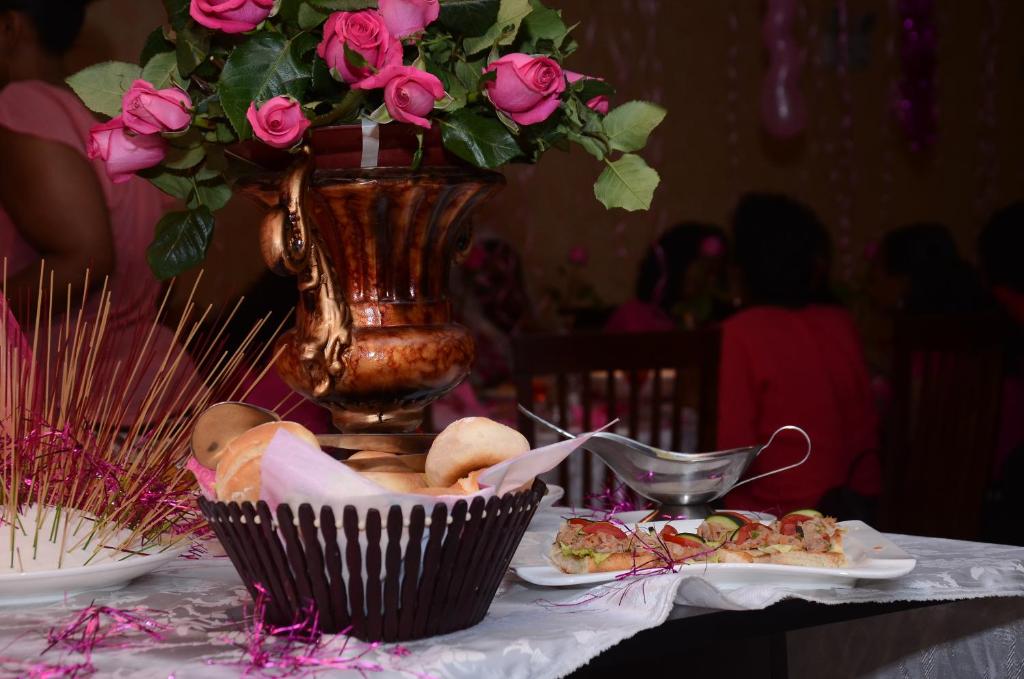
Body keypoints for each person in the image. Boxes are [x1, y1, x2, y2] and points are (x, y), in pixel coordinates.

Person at [0, 0, 195, 418]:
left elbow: (85, 258)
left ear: (9, 27)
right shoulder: (104, 120)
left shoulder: (20, 106)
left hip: (74, 398)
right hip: (152, 385)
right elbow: (167, 267)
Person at [717, 193, 881, 516]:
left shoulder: (741, 332)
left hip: (773, 516)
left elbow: (731, 453)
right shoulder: (840, 323)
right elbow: (863, 434)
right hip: (851, 511)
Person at [605, 222, 731, 333]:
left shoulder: (712, 322)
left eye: (716, 272)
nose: (711, 279)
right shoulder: (634, 318)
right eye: (705, 268)